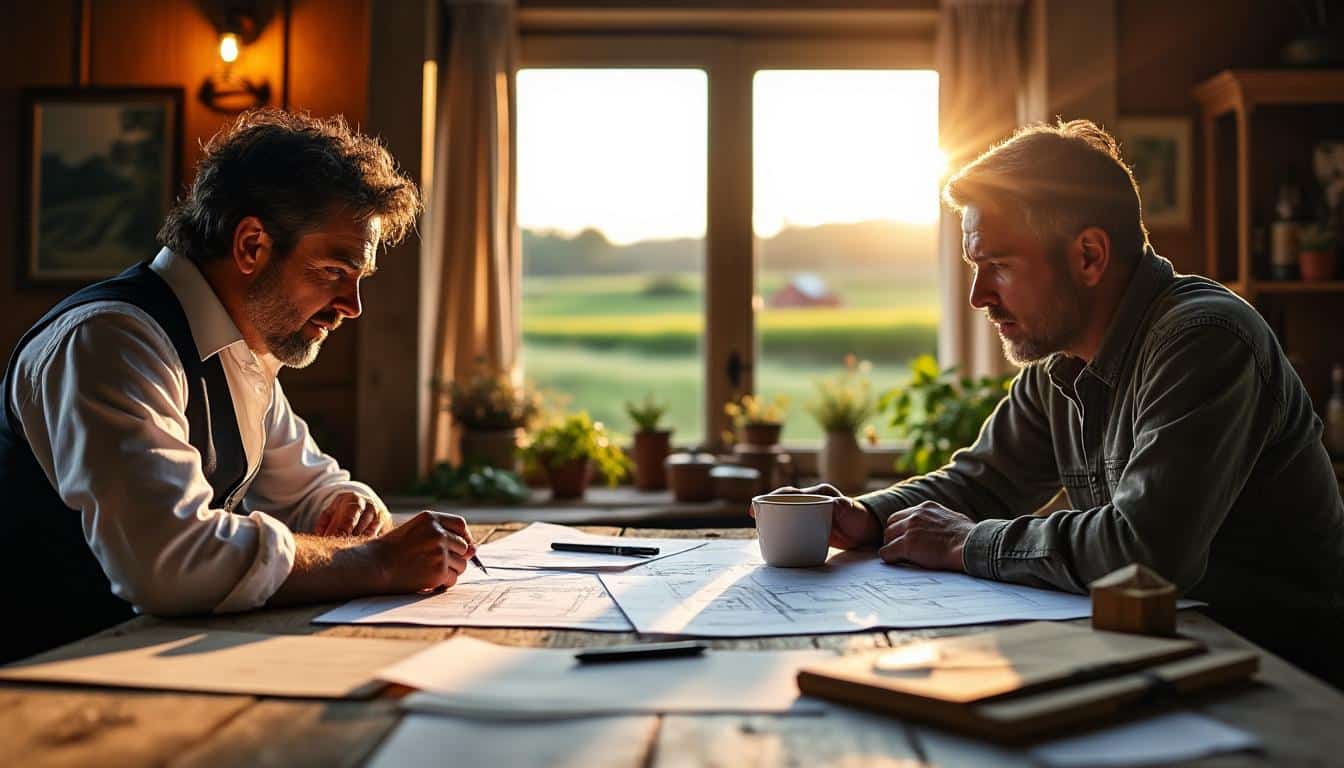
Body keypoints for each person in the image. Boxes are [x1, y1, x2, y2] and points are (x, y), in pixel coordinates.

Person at [774, 120, 1344, 687]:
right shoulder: (1060, 365)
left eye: (996, 265)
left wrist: (966, 543)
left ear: (1089, 256)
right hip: (1168, 658)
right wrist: (866, 513)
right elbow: (981, 484)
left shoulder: (1206, 340)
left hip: (1283, 679)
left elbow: (1141, 552)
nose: (979, 297)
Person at [0, 110, 478, 663]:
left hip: (154, 666)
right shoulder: (110, 343)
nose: (352, 307)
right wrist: (379, 561)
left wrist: (351, 510)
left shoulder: (244, 351)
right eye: (332, 272)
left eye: (358, 280)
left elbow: (311, 491)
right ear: (251, 245)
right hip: (45, 685)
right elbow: (169, 562)